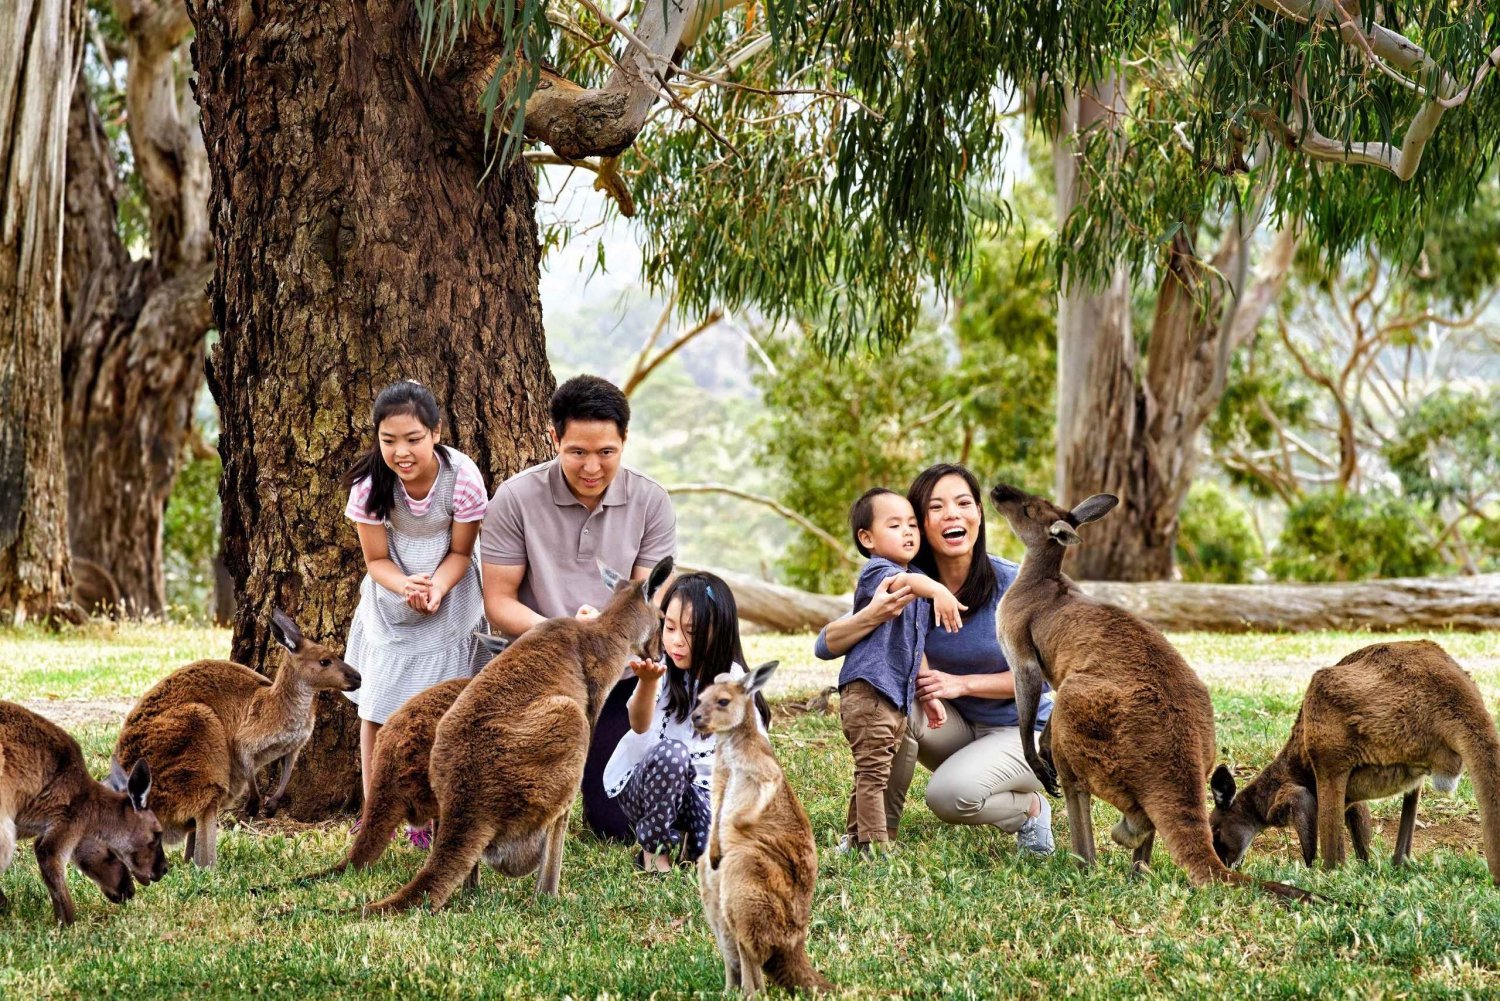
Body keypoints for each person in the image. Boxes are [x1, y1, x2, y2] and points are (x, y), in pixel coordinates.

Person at [816, 464, 1056, 856]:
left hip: (1025, 733)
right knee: (892, 703)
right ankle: (872, 839)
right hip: (954, 728)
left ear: (978, 513)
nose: (952, 514)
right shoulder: (906, 581)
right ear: (921, 524)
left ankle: (1029, 809)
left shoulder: (1014, 584)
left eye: (963, 503)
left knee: (948, 797)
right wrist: (873, 614)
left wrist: (961, 684)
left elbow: (1045, 678)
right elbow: (825, 645)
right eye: (936, 507)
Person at [480, 374, 676, 840]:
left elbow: (651, 608)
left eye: (606, 452)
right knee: (518, 814)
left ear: (625, 440)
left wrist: (607, 637)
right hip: (538, 683)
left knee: (617, 826)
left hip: (617, 683)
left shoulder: (650, 502)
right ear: (555, 439)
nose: (592, 466)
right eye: (578, 452)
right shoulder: (515, 499)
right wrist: (568, 632)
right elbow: (499, 603)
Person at [342, 380, 490, 848]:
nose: (401, 452)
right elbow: (375, 561)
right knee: (379, 707)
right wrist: (407, 585)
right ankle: (375, 813)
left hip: (450, 593)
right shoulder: (369, 488)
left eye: (413, 439)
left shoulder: (462, 479)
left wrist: (437, 588)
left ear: (436, 433)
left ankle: (432, 814)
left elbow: (463, 552)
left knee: (441, 709)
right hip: (392, 596)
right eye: (389, 441)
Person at [603, 572, 769, 872]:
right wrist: (647, 683)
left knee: (722, 856)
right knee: (672, 754)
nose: (676, 641)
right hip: (647, 785)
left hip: (703, 791)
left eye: (691, 632)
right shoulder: (662, 669)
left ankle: (690, 843)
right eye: (669, 626)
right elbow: (639, 725)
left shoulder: (733, 684)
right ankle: (654, 854)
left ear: (719, 632)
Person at [834, 488, 959, 855]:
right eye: (895, 525)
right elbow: (905, 585)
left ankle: (855, 839)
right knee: (873, 774)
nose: (908, 532)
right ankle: (877, 847)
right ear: (867, 538)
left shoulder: (915, 577)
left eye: (911, 525)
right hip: (869, 693)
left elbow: (915, 647)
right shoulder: (879, 573)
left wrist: (929, 697)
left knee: (874, 771)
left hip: (893, 698)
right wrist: (938, 590)